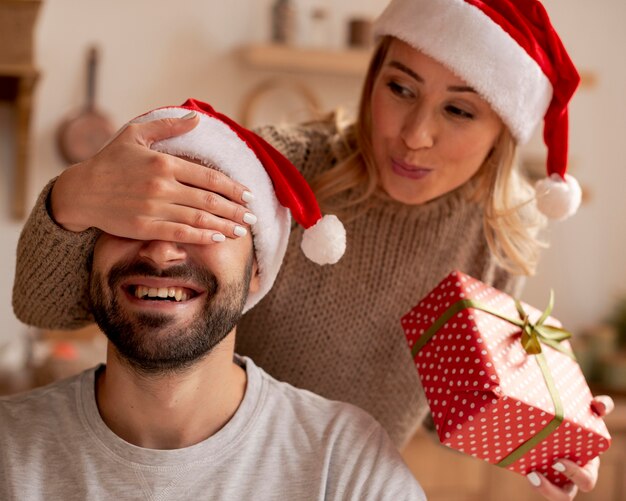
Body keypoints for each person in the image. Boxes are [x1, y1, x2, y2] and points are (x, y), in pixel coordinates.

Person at [11, 1, 612, 499]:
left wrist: (540, 436)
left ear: (503, 131)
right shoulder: (281, 174)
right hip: (213, 469)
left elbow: (444, 409)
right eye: (399, 88)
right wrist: (72, 196)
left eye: (458, 109)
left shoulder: (492, 242)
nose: (414, 134)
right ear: (372, 75)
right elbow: (44, 304)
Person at [1, 100, 427, 501]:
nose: (162, 251)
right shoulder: (10, 456)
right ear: (90, 253)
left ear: (258, 267)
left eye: (207, 221)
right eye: (134, 217)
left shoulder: (347, 468)